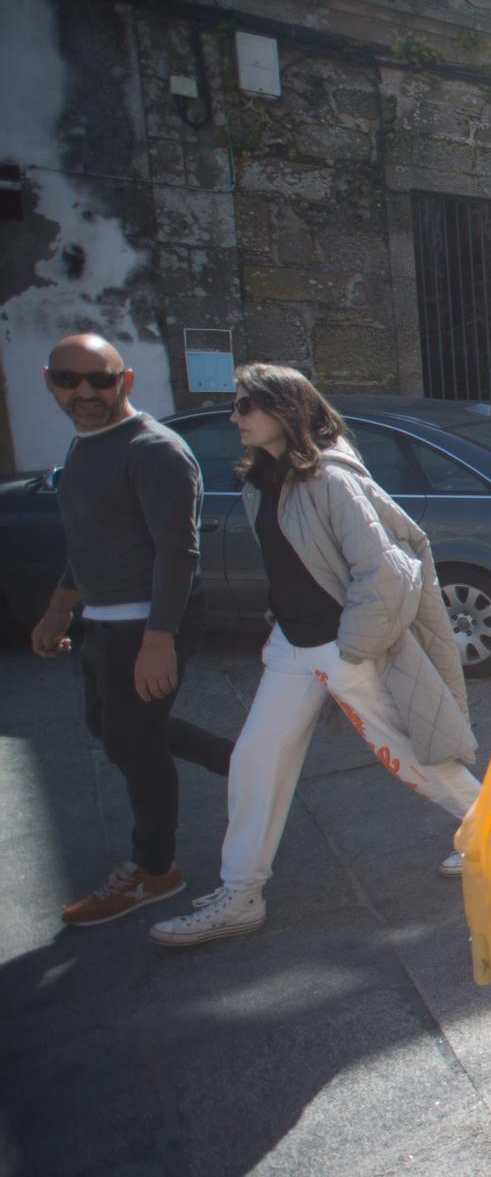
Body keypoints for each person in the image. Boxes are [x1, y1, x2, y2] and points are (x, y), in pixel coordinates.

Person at [149, 365, 482, 946]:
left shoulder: (330, 480)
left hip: (340, 646)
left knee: (412, 752)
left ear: (285, 409)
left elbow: (384, 572)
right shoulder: (263, 482)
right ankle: (240, 893)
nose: (235, 417)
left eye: (246, 405)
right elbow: (297, 570)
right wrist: (282, 626)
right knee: (256, 760)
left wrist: (351, 651)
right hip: (293, 646)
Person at [34, 334, 235, 927]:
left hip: (149, 622)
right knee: (110, 724)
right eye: (70, 379)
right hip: (103, 619)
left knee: (133, 742)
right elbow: (89, 542)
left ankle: (155, 871)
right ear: (51, 381)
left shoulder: (154, 451)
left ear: (126, 382)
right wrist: (58, 608)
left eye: (100, 379)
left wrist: (157, 640)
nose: (85, 391)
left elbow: (178, 552)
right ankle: (239, 761)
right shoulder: (86, 445)